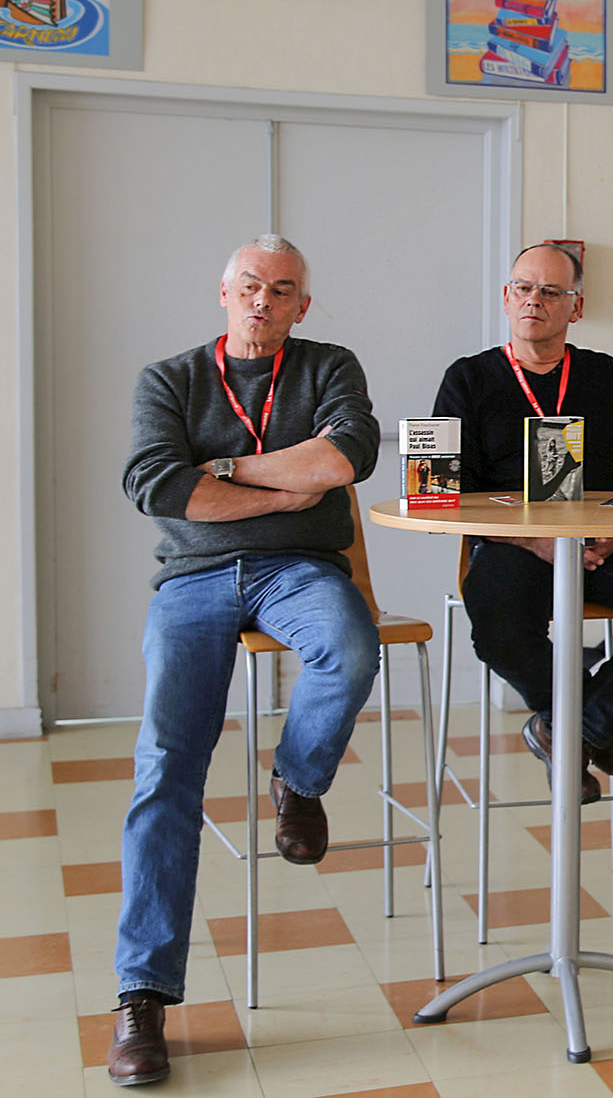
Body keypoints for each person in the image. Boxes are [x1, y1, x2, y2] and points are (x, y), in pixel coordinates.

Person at [113, 235, 382, 1086]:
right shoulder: (170, 379)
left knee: (349, 647)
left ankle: (297, 781)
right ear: (222, 293)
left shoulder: (329, 363)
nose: (263, 301)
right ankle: (142, 998)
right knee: (165, 767)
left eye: (283, 290)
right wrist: (283, 483)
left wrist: (223, 468)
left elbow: (347, 457)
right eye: (250, 287)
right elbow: (156, 484)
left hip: (298, 570)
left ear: (303, 304)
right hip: (191, 579)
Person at [434, 243, 613, 802]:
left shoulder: (605, 375)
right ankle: (590, 722)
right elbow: (450, 491)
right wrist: (537, 539)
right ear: (506, 297)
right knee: (497, 630)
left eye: (550, 292)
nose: (533, 301)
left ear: (576, 307)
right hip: (515, 543)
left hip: (600, 542)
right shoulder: (469, 378)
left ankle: (574, 728)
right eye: (523, 287)